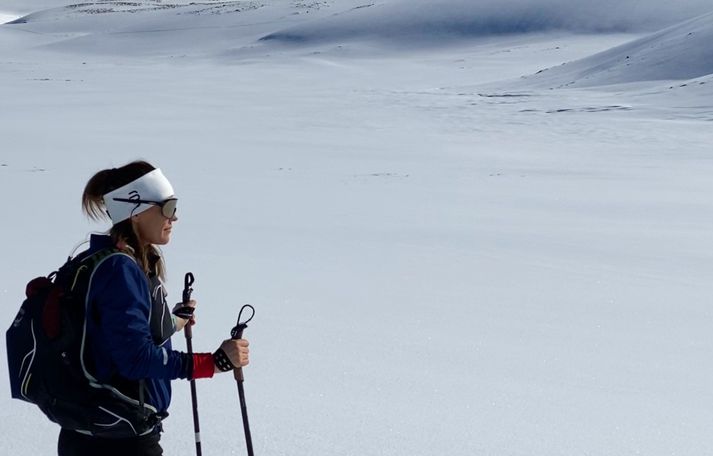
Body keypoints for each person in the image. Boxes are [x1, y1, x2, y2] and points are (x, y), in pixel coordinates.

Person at [56, 160, 249, 455]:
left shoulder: (105, 259)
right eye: (168, 207)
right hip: (119, 439)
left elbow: (115, 336)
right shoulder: (120, 271)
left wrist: (173, 321)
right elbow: (135, 358)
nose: (174, 217)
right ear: (136, 211)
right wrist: (214, 362)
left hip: (94, 429)